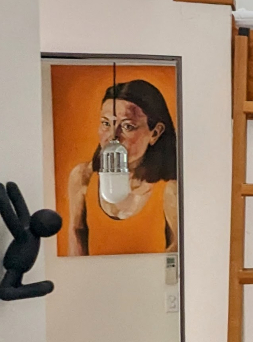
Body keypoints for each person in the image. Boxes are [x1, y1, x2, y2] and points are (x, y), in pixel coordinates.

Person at [65, 79, 179, 256]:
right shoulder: (82, 177)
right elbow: (76, 239)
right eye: (106, 123)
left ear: (155, 133)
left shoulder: (170, 189)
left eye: (127, 126)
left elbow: (176, 257)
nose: (113, 136)